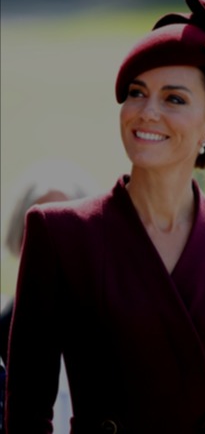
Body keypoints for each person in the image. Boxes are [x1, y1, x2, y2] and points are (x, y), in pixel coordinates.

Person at [4, 0, 205, 432]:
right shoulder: (58, 233)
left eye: (173, 98)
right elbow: (26, 409)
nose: (147, 112)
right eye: (137, 93)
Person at [1, 159, 100, 434]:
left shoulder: (114, 332)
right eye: (36, 234)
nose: (49, 251)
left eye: (63, 237)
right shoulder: (2, 329)